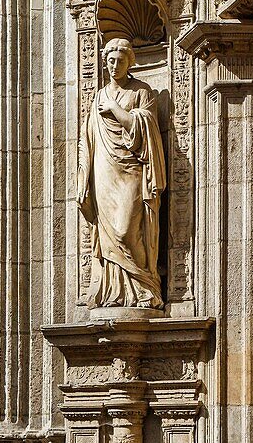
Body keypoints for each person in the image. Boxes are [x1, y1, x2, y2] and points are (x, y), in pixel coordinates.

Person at [77, 38, 166, 310]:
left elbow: (145, 129)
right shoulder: (99, 95)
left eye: (121, 61)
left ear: (131, 62)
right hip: (103, 170)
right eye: (111, 60)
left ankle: (144, 284)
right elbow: (87, 137)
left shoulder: (142, 92)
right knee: (108, 231)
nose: (115, 65)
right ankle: (112, 289)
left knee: (126, 229)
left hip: (132, 169)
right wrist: (83, 178)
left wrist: (115, 110)